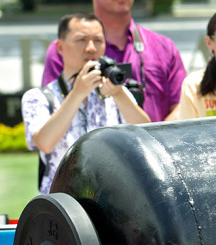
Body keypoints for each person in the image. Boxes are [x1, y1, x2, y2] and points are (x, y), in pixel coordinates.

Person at [41, 0, 187, 122]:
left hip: (153, 146)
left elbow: (182, 106)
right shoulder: (64, 49)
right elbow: (53, 109)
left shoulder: (163, 46)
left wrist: (156, 143)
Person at [23, 13, 150, 194]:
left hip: (112, 200)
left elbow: (146, 134)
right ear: (59, 47)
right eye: (81, 40)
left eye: (98, 40)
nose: (91, 48)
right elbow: (45, 143)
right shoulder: (38, 97)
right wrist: (77, 94)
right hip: (60, 202)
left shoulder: (114, 90)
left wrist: (120, 94)